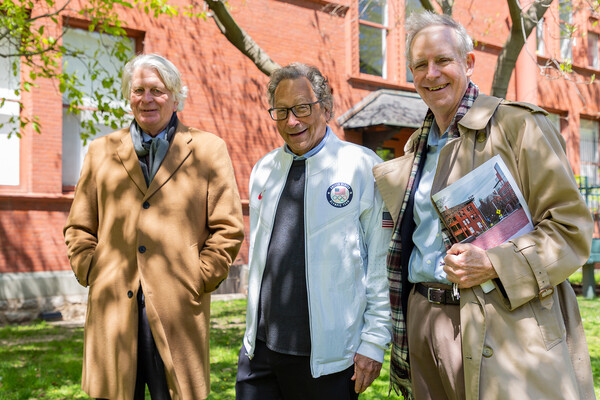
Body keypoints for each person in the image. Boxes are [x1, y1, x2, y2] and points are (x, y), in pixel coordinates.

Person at [373, 11, 596, 400]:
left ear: (469, 63)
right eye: (420, 65)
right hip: (423, 318)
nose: (432, 74)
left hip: (504, 321)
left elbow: (571, 228)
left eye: (443, 60)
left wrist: (494, 263)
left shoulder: (518, 126)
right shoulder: (414, 150)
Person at [64, 54, 244, 400]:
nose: (147, 99)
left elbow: (228, 227)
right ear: (129, 96)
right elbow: (79, 226)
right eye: (139, 90)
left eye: (157, 90)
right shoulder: (100, 151)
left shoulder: (208, 150)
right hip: (113, 307)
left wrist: (199, 276)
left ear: (176, 97)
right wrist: (91, 268)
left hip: (178, 308)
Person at [235, 62, 392, 400]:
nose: (292, 121)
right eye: (281, 111)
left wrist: (375, 342)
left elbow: (380, 264)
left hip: (328, 360)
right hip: (260, 354)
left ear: (326, 108)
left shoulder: (363, 168)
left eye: (302, 108)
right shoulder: (264, 170)